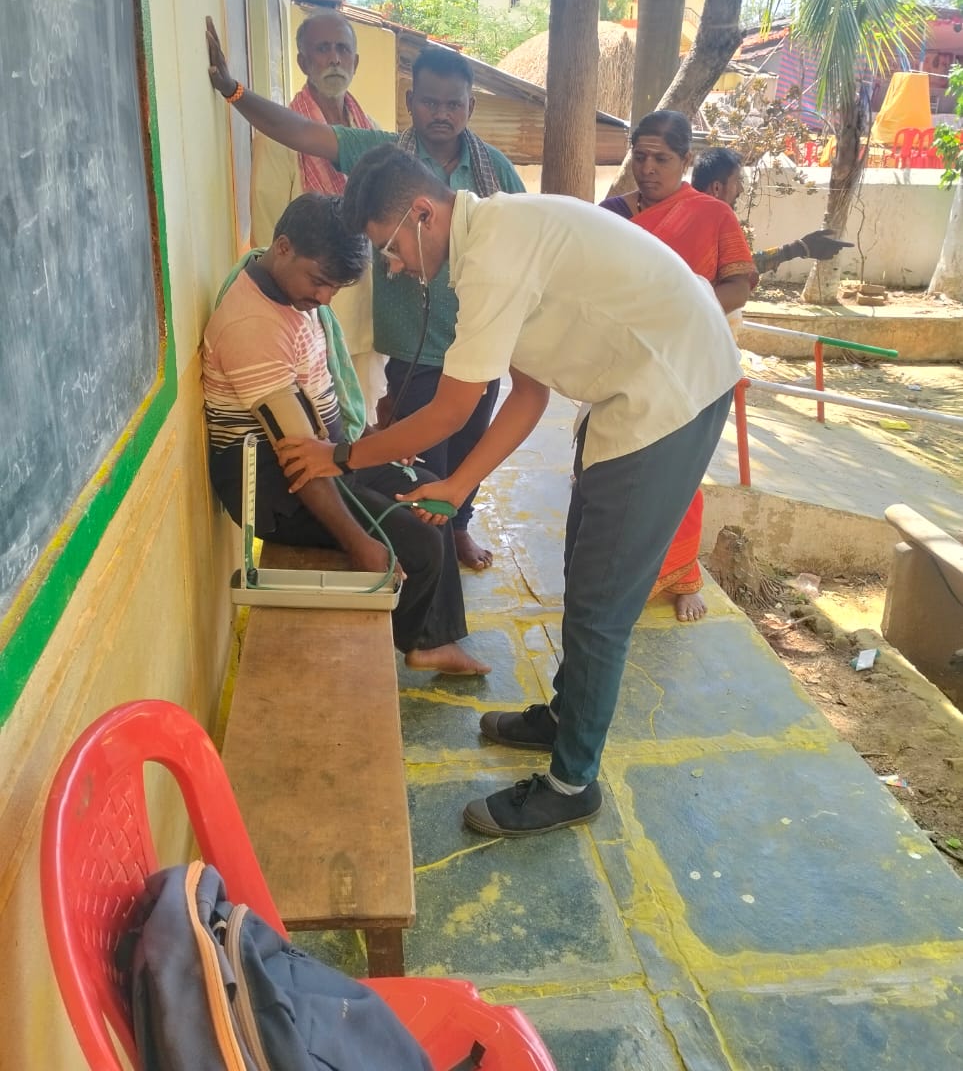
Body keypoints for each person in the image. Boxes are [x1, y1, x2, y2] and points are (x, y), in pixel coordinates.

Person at [273, 145, 743, 838]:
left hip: (671, 393)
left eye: (389, 247)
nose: (393, 266)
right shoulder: (491, 239)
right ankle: (563, 716)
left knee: (601, 604)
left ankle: (571, 784)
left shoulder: (492, 254)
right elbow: (527, 393)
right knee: (583, 572)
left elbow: (449, 411)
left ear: (422, 213)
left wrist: (338, 457)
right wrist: (457, 483)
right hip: (634, 386)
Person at [207, 17, 523, 573]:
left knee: (470, 445)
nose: (442, 113)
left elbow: (523, 237)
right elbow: (302, 134)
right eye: (430, 102)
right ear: (411, 102)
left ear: (471, 106)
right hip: (414, 349)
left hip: (479, 339)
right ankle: (437, 541)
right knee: (422, 462)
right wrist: (235, 93)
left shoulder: (494, 169)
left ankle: (458, 528)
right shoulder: (386, 158)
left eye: (454, 104)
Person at [201, 190, 489, 676]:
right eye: (319, 282)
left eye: (335, 288)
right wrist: (360, 543)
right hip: (274, 488)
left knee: (430, 492)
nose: (324, 299)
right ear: (283, 247)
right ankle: (420, 641)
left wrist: (366, 443)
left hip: (324, 457)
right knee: (417, 538)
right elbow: (298, 459)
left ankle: (431, 639)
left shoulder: (286, 289)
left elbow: (320, 415)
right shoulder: (252, 325)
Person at [600, 113, 757, 623]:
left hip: (686, 363)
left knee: (678, 477)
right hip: (623, 362)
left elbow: (740, 284)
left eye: (662, 159)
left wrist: (685, 310)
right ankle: (619, 574)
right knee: (617, 470)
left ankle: (681, 577)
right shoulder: (611, 216)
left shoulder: (712, 215)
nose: (648, 168)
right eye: (640, 156)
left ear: (686, 160)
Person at [250, 10, 386, 416]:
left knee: (366, 414)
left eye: (342, 49)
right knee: (321, 419)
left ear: (355, 61)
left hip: (366, 311)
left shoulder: (370, 132)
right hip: (310, 313)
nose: (334, 58)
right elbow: (270, 230)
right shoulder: (280, 137)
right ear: (303, 61)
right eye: (323, 49)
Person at [690, 147, 854, 273]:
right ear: (717, 188)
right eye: (737, 181)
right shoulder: (701, 226)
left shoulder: (691, 214)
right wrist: (799, 248)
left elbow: (738, 267)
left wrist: (800, 248)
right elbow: (737, 274)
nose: (740, 189)